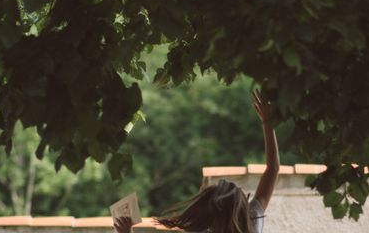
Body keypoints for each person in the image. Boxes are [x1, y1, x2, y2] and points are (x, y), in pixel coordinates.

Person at [113, 89, 280, 233]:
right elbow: (273, 169)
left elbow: (273, 169)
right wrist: (268, 123)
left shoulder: (251, 220)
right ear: (241, 209)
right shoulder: (252, 222)